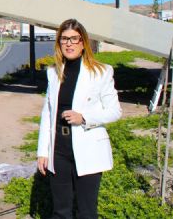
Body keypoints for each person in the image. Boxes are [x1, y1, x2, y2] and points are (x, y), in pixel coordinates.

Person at [37, 18, 121, 219]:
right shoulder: (53, 73)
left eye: (74, 39)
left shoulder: (101, 72)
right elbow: (47, 113)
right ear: (59, 44)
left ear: (83, 43)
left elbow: (115, 111)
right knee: (60, 211)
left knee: (86, 211)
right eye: (64, 39)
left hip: (88, 148)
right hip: (59, 149)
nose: (69, 43)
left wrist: (84, 118)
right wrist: (42, 151)